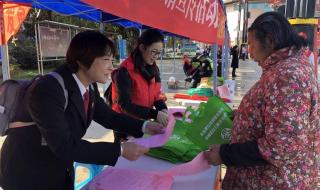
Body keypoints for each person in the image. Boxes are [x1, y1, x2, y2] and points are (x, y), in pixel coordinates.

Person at [0, 30, 165, 190]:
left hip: (59, 169)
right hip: (28, 174)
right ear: (83, 59)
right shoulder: (48, 89)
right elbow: (64, 146)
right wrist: (120, 150)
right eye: (106, 59)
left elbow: (109, 118)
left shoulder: (88, 85)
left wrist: (144, 126)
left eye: (112, 59)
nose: (111, 67)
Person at [204, 12, 319, 189]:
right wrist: (247, 115)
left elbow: (282, 145)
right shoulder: (286, 67)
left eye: (251, 44)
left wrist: (224, 154)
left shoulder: (288, 76)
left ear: (270, 40)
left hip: (271, 181)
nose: (248, 52)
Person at [110, 29, 168, 143]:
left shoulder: (154, 69)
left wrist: (163, 109)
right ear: (142, 48)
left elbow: (156, 94)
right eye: (153, 52)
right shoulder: (125, 71)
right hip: (124, 125)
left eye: (159, 53)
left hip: (143, 123)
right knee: (124, 158)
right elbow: (124, 105)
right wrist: (154, 114)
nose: (156, 56)